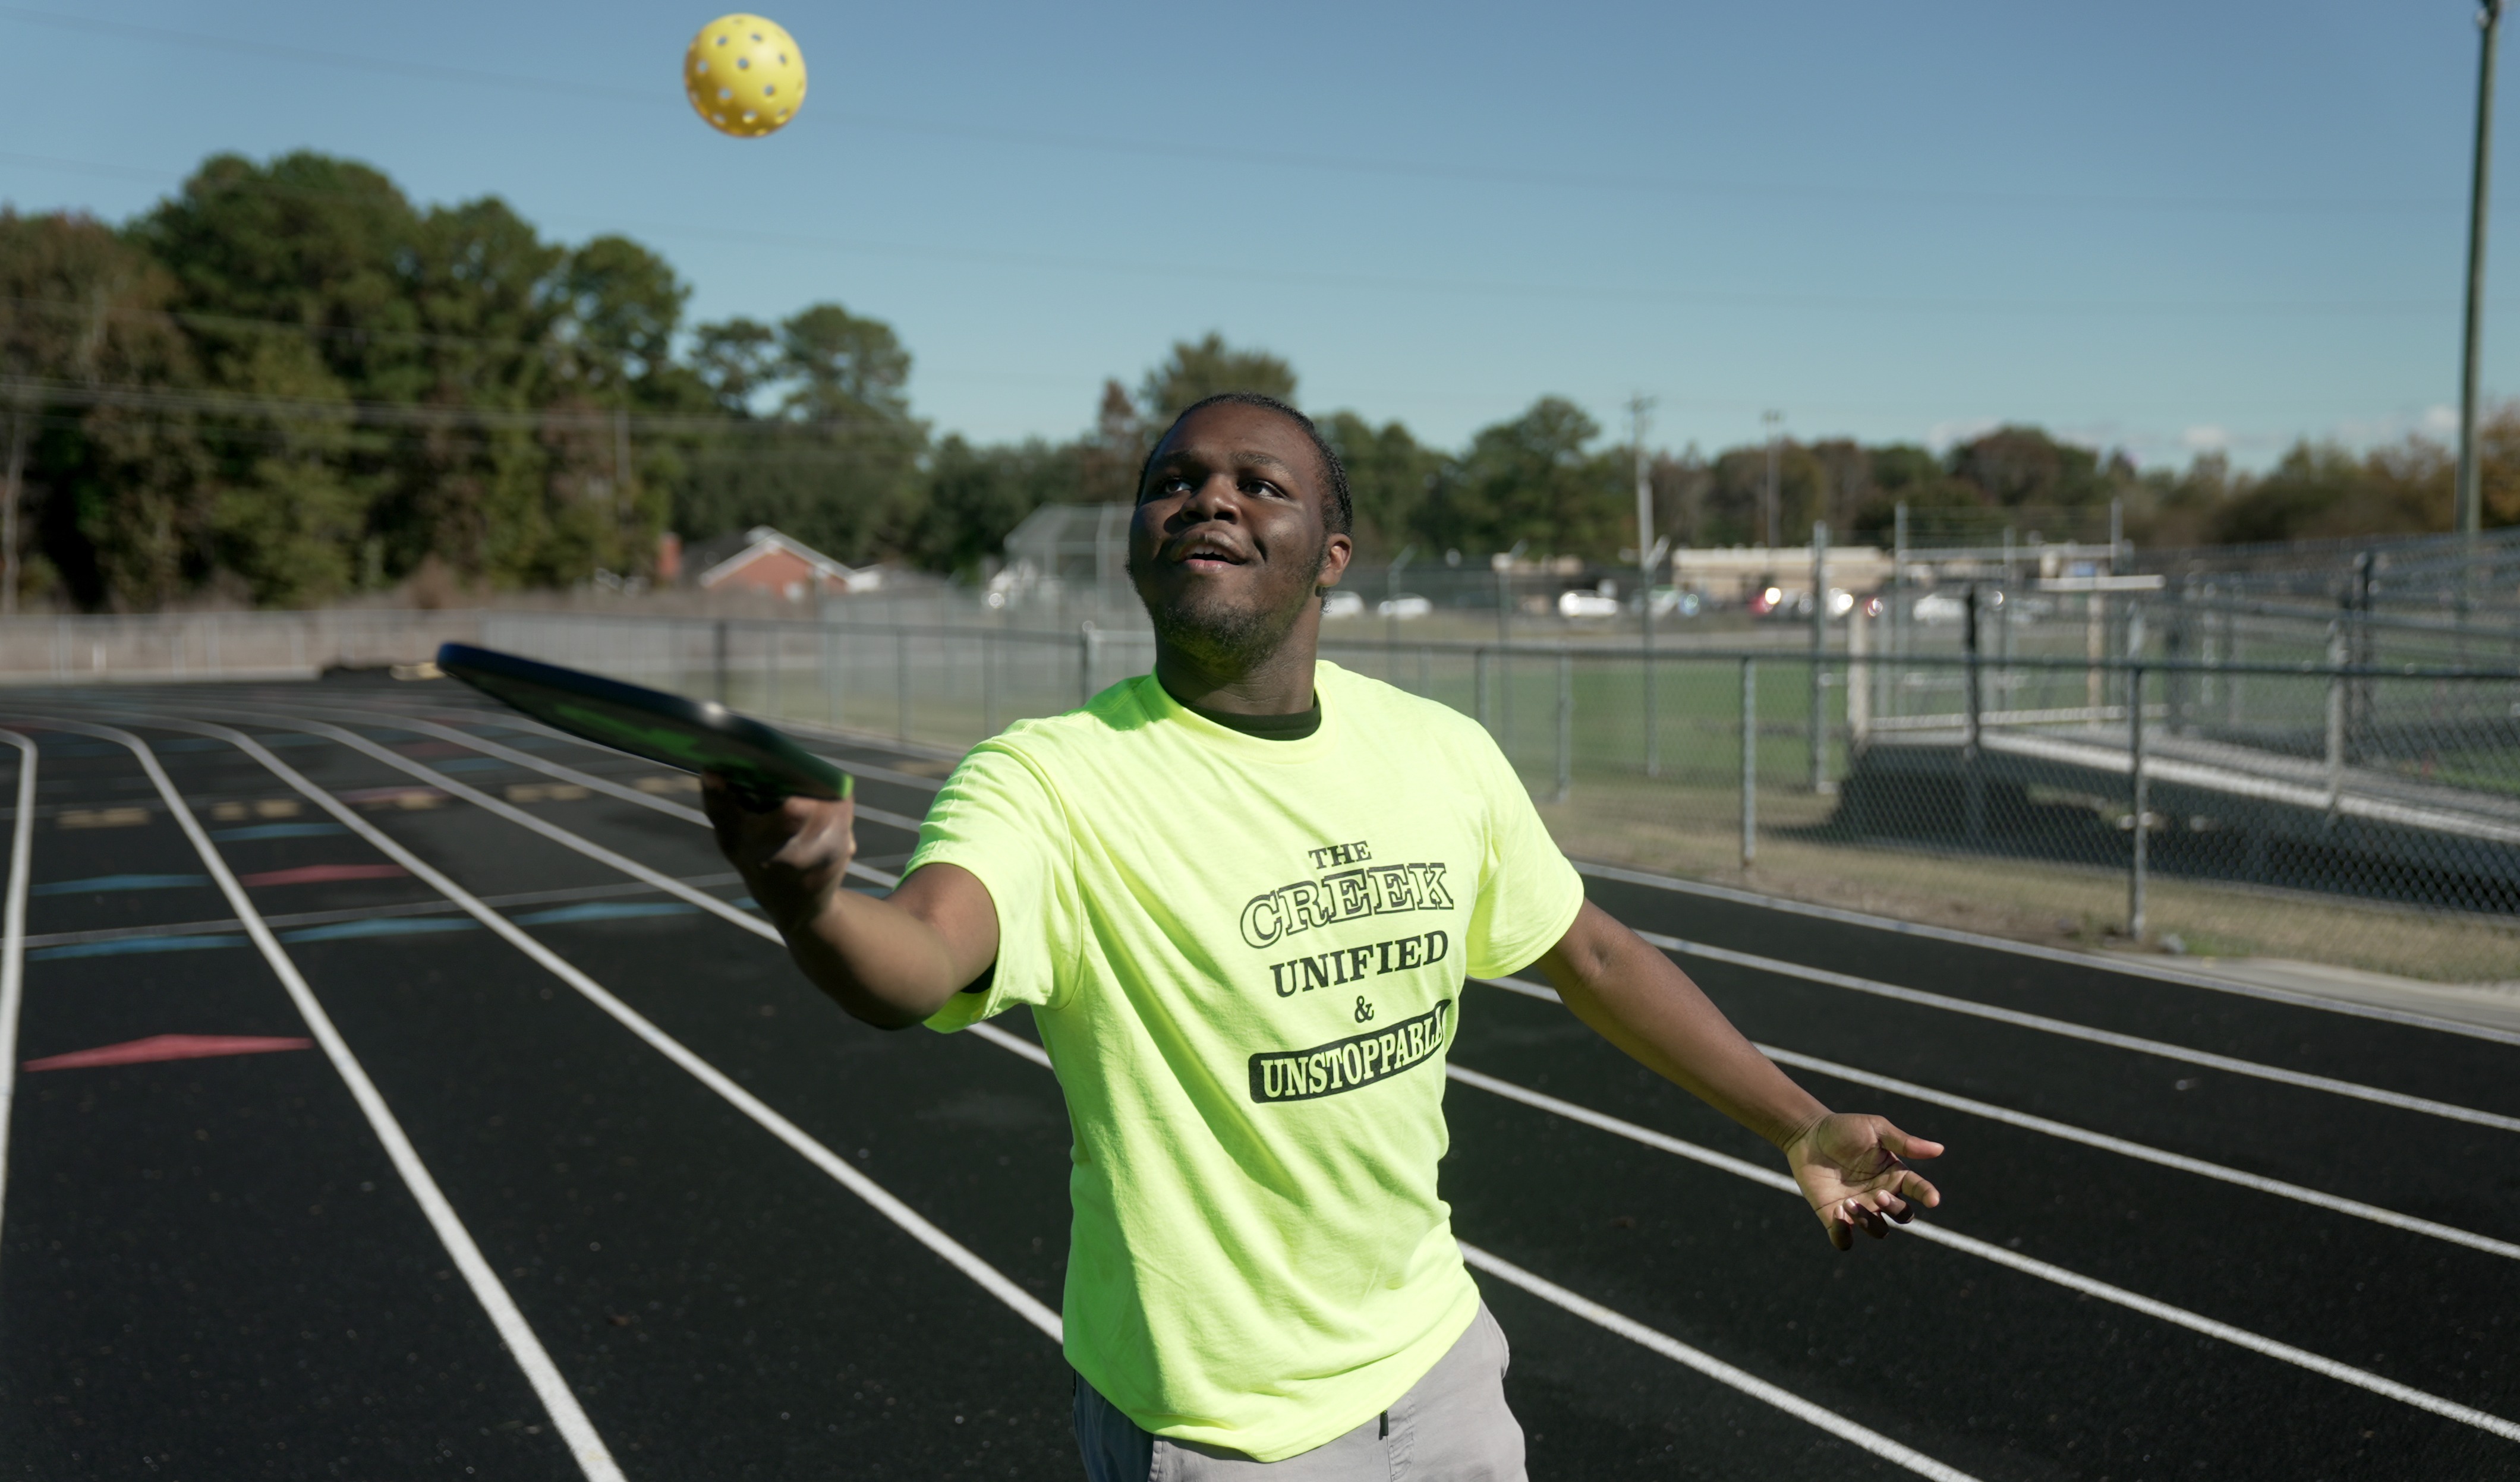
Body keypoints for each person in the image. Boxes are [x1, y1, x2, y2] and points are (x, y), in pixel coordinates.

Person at [704, 393, 1943, 1480]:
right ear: (1135, 545)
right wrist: (808, 898)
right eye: (1174, 481)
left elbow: (1595, 954)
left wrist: (1797, 1124)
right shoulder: (1047, 781)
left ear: (1331, 555)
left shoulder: (1437, 752)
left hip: (1442, 1366)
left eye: (1259, 483)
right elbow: (917, 958)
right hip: (1220, 1433)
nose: (1210, 499)